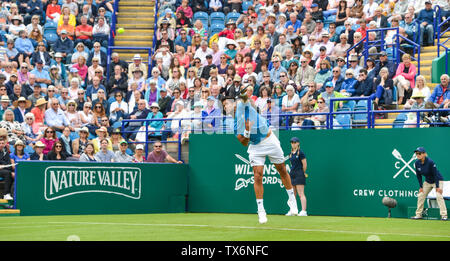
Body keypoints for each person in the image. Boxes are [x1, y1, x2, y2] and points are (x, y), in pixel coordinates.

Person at [235, 91, 299, 224]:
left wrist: (243, 92)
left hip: (270, 140)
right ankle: (261, 210)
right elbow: (244, 142)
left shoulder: (247, 106)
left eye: (234, 103)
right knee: (257, 175)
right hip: (255, 147)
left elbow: (246, 96)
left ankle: (292, 200)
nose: (233, 107)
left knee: (282, 169)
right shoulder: (236, 123)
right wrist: (247, 130)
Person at [411, 147, 447, 221]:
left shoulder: (430, 162)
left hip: (437, 180)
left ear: (424, 154)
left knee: (439, 196)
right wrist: (421, 186)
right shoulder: (417, 163)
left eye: (419, 153)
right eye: (416, 153)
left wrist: (437, 187)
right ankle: (418, 215)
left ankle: (444, 215)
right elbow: (418, 175)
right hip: (427, 182)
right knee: (420, 195)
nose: (417, 155)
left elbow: (435, 175)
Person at [287, 137, 308, 216]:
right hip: (292, 174)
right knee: (292, 194)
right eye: (292, 142)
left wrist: (302, 172)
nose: (293, 144)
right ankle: (293, 210)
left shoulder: (300, 153)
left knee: (301, 193)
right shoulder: (290, 154)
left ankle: (303, 211)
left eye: (295, 142)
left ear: (298, 143)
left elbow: (305, 164)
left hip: (299, 173)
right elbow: (291, 165)